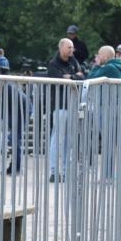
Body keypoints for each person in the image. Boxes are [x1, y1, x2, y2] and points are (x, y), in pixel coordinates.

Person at [46, 38, 85, 182]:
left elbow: (82, 77)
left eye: (72, 47)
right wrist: (72, 78)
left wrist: (71, 77)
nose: (71, 50)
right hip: (60, 106)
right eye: (69, 47)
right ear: (61, 47)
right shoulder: (53, 64)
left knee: (69, 140)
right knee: (57, 139)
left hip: (73, 105)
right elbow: (60, 81)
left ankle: (66, 171)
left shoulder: (73, 60)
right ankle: (54, 171)